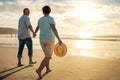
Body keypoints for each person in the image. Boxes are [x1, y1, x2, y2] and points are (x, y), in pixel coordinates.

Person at [35, 6, 62, 79]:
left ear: (43, 11)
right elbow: (54, 29)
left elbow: (38, 27)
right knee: (48, 57)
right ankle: (39, 70)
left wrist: (34, 33)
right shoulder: (51, 19)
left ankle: (47, 69)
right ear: (50, 11)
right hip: (50, 39)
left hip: (41, 39)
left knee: (46, 56)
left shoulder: (40, 19)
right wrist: (59, 39)